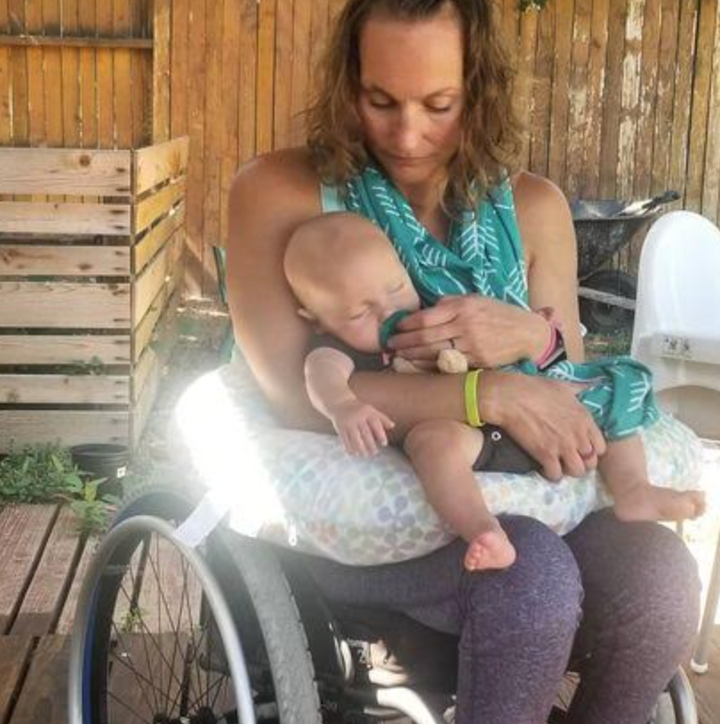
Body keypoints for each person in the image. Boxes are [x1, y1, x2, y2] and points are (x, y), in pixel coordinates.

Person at [226, 0, 701, 722]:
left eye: (439, 104)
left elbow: (564, 384)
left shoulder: (535, 207)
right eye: (379, 99)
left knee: (663, 579)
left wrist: (530, 340)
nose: (407, 133)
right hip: (370, 515)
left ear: (479, 92)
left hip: (527, 488)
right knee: (529, 579)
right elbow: (294, 396)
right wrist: (487, 396)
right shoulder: (280, 193)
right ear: (344, 84)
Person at [283, 211, 705, 571]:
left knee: (608, 394)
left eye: (395, 288)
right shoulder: (334, 347)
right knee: (432, 442)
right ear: (317, 319)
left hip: (528, 419)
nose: (388, 311)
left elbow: (492, 341)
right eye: (359, 312)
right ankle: (483, 531)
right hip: (468, 437)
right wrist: (344, 407)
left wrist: (534, 330)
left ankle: (633, 490)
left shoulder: (429, 313)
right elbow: (319, 378)